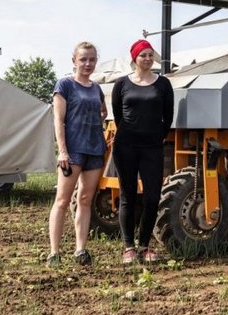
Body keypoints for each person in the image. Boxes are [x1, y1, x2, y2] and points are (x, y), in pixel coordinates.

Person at [111, 38, 175, 265]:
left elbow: (168, 117)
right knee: (127, 196)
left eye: (150, 55)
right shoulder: (121, 84)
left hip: (152, 147)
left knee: (152, 196)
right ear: (134, 58)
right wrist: (131, 133)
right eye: (143, 55)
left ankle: (145, 246)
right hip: (125, 146)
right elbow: (118, 115)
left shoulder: (163, 84)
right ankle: (129, 247)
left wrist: (156, 136)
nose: (147, 59)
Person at [47, 41, 107, 267]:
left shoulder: (96, 88)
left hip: (94, 150)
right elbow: (58, 120)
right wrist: (62, 151)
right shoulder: (64, 85)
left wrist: (93, 125)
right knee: (62, 201)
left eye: (92, 59)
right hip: (72, 152)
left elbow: (104, 111)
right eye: (83, 59)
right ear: (74, 60)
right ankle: (54, 252)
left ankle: (80, 250)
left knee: (85, 199)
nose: (88, 63)